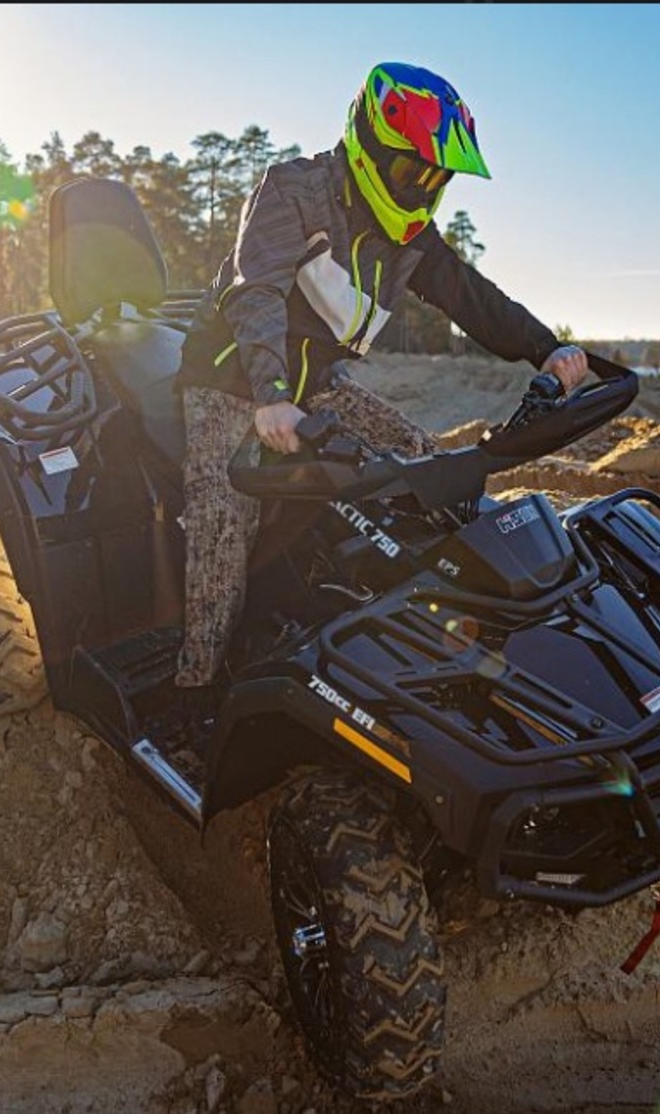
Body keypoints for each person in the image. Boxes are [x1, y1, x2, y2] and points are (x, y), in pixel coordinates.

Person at [170, 60, 588, 705]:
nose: (423, 187)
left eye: (437, 177)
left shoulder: (409, 234)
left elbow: (468, 294)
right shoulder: (293, 191)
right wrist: (270, 397)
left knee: (426, 469)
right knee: (222, 538)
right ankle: (194, 694)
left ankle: (443, 636)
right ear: (369, 144)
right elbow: (256, 294)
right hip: (233, 382)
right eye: (412, 170)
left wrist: (546, 347)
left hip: (316, 386)